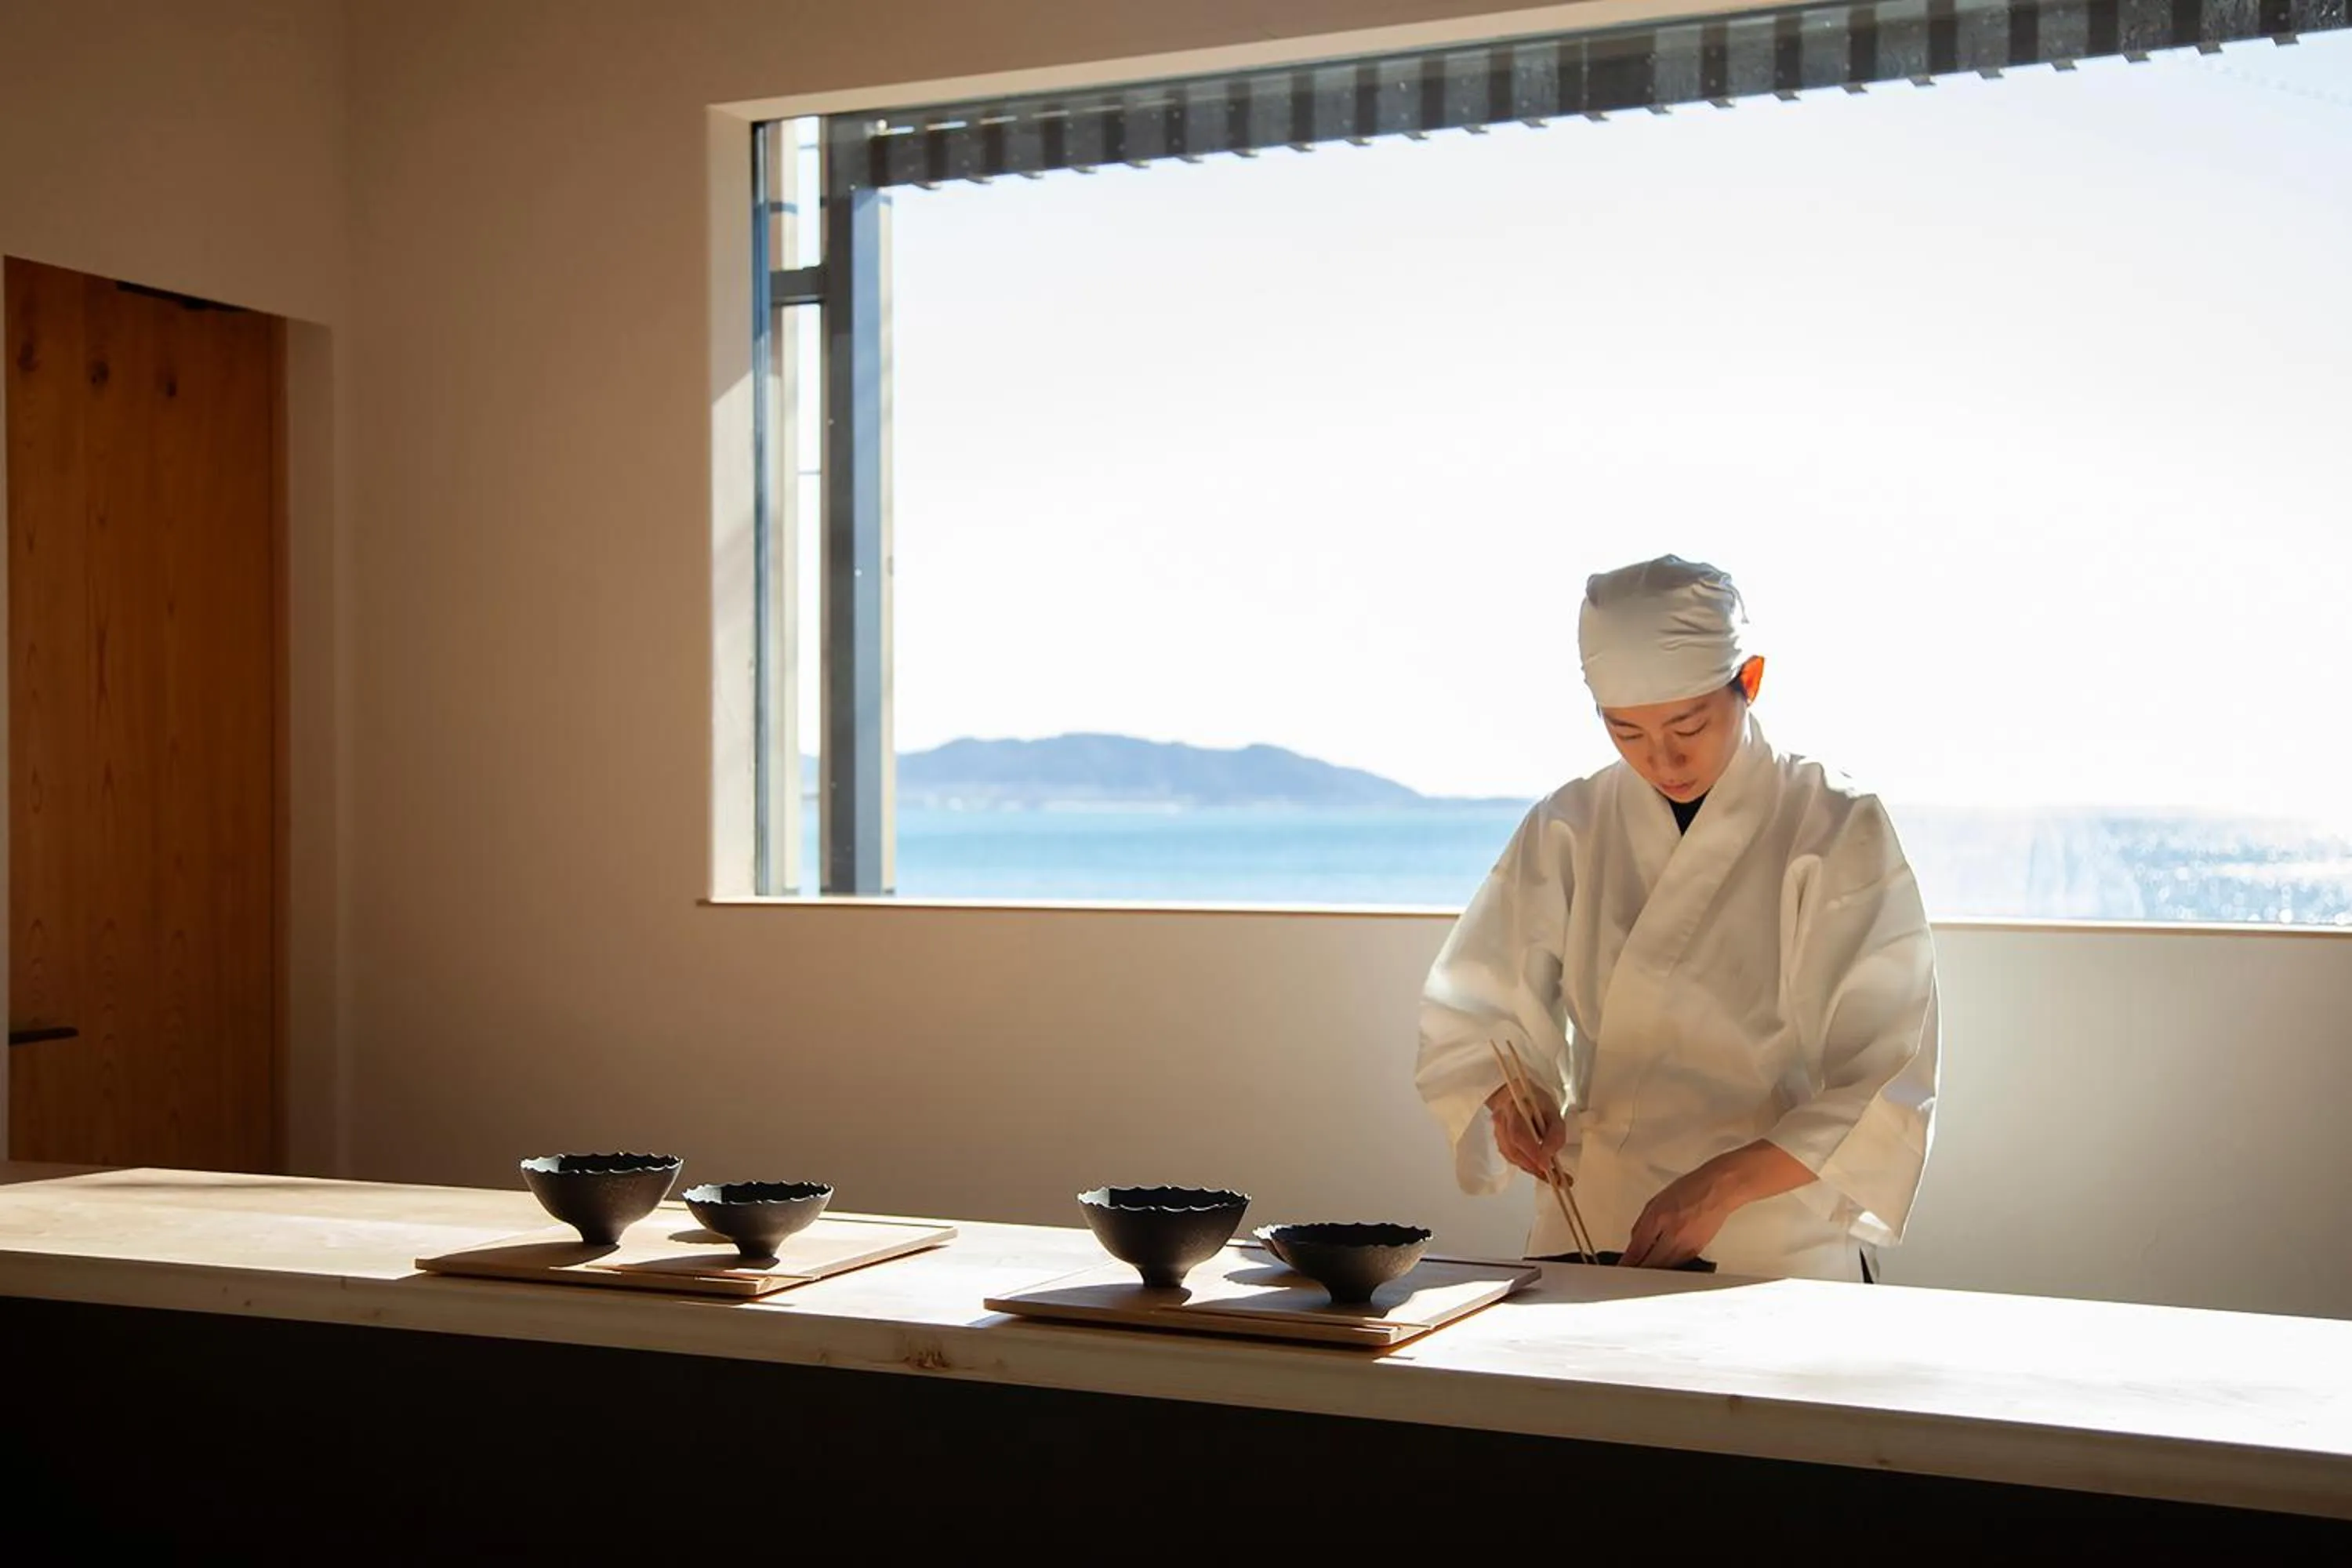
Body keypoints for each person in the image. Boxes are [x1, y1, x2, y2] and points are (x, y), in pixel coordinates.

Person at [1414, 557, 1938, 1282]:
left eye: (1688, 725)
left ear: (1749, 682)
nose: (1661, 758)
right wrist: (1513, 1097)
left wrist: (1722, 1186)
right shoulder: (1572, 822)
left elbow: (1886, 1068)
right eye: (1626, 732)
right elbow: (1479, 1006)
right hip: (1591, 1219)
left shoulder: (1834, 826)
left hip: (1770, 1235)